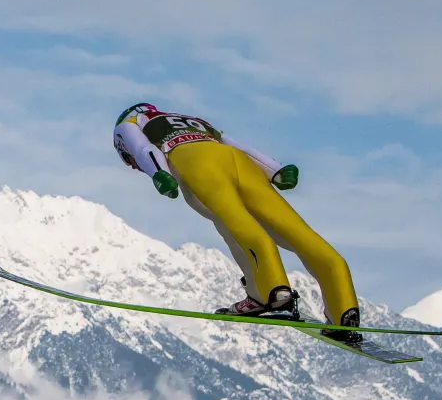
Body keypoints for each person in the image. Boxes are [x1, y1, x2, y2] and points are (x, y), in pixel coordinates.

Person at [112, 102, 360, 341]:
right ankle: (343, 307)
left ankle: (274, 293)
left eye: (126, 159)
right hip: (239, 162)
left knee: (239, 225)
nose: (132, 167)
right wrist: (276, 169)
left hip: (198, 164)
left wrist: (159, 174)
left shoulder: (129, 124)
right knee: (295, 231)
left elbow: (145, 150)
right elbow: (235, 145)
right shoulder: (190, 120)